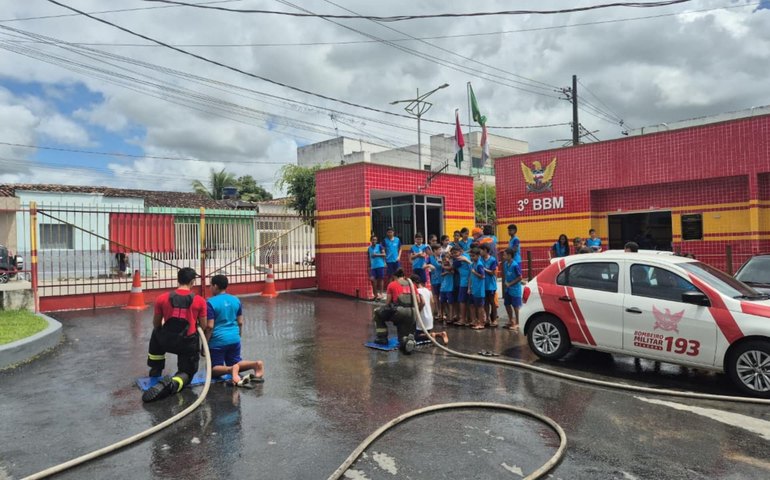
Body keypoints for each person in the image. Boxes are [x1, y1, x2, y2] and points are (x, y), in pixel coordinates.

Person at [143, 267, 208, 402]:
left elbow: (156, 323)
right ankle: (172, 384)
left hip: (166, 340)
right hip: (187, 343)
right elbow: (204, 326)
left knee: (156, 333)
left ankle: (156, 370)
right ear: (192, 282)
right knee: (188, 372)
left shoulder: (162, 298)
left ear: (177, 280)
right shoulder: (200, 301)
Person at [205, 274, 264, 386]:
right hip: (234, 338)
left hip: (218, 341)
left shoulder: (210, 303)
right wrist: (238, 335)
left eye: (210, 285)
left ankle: (230, 370)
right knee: (236, 363)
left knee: (213, 370)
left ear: (216, 286)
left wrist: (205, 345)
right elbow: (240, 322)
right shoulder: (235, 300)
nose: (210, 288)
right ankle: (255, 364)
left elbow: (210, 326)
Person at [371, 269, 421, 354]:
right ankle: (407, 341)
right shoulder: (412, 285)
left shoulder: (392, 284)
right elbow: (419, 301)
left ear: (394, 276)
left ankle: (382, 338)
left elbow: (387, 303)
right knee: (402, 340)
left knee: (377, 313)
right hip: (412, 313)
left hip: (399, 312)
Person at [413, 274, 449, 345]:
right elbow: (432, 302)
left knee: (415, 337)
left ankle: (432, 335)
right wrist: (431, 314)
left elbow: (422, 302)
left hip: (422, 318)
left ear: (413, 283)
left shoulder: (417, 291)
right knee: (425, 332)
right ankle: (440, 334)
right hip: (429, 317)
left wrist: (417, 312)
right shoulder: (427, 290)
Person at [451, 246, 472, 326]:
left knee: (462, 301)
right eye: (452, 254)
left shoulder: (458, 260)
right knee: (469, 302)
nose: (454, 255)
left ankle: (463, 319)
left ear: (460, 252)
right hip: (469, 281)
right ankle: (469, 318)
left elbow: (451, 267)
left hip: (464, 282)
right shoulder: (467, 256)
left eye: (455, 253)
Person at [502, 248, 522, 331]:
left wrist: (510, 284)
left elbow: (520, 277)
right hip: (508, 289)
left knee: (516, 306)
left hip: (515, 289)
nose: (503, 256)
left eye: (505, 255)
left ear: (510, 255)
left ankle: (518, 322)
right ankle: (511, 320)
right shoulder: (505, 264)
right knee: (507, 304)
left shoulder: (515, 265)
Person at [480, 244, 499, 327]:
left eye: (481, 250)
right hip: (483, 284)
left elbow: (493, 273)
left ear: (485, 250)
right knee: (486, 302)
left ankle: (494, 319)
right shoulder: (480, 259)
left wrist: (484, 269)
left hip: (491, 285)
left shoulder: (492, 260)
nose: (480, 252)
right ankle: (487, 318)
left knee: (492, 302)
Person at [468, 248, 487, 330]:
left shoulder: (479, 264)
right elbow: (470, 277)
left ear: (478, 256)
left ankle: (481, 322)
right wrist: (469, 287)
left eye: (474, 256)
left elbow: (483, 276)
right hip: (473, 288)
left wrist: (474, 272)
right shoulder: (472, 264)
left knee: (480, 307)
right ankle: (474, 320)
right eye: (471, 256)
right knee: (472, 305)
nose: (472, 257)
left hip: (479, 290)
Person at [425, 245, 443, 319]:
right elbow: (423, 265)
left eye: (441, 249)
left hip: (443, 280)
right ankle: (437, 311)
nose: (440, 251)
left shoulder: (443, 257)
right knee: (436, 297)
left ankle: (442, 312)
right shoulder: (430, 258)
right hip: (435, 280)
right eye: (439, 250)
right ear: (434, 250)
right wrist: (429, 265)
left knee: (442, 297)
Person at [368, 235, 387, 301]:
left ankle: (381, 294)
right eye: (373, 240)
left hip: (380, 265)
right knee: (373, 281)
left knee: (381, 280)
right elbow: (369, 258)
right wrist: (368, 267)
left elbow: (384, 254)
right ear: (371, 240)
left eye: (375, 240)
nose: (374, 241)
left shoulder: (380, 246)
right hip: (373, 267)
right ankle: (375, 295)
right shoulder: (369, 248)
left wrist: (376, 255)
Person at [439, 257, 455, 325]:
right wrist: (446, 272)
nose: (445, 261)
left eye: (446, 259)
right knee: (443, 302)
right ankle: (447, 315)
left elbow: (452, 272)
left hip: (450, 287)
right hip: (443, 287)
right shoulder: (443, 268)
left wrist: (446, 270)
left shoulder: (450, 267)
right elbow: (442, 274)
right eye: (444, 260)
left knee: (450, 303)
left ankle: (451, 317)